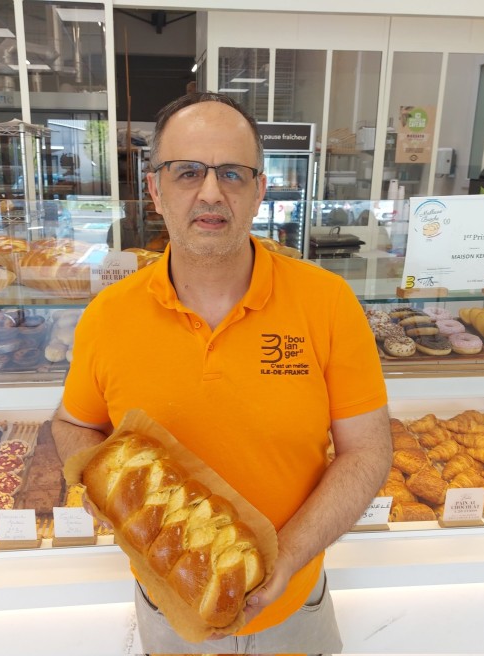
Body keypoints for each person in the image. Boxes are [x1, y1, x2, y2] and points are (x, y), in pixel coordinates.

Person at [52, 91, 391, 654]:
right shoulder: (109, 316)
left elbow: (368, 451)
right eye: (187, 172)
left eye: (232, 173)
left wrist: (286, 558)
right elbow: (72, 424)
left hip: (294, 607)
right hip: (168, 607)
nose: (211, 192)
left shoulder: (327, 302)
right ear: (155, 190)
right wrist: (93, 478)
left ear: (260, 191)